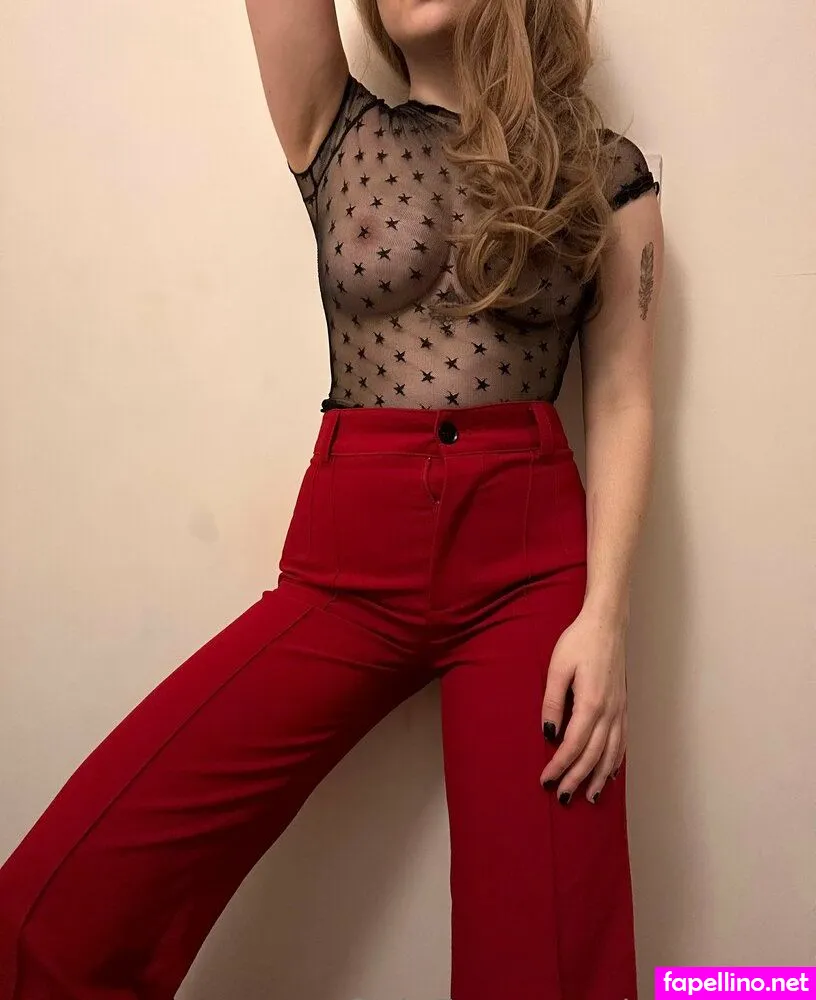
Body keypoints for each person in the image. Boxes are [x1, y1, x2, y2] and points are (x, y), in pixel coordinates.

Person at [0, 0, 663, 996]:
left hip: (530, 576)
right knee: (67, 898)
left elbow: (621, 399)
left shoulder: (604, 173)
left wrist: (604, 621)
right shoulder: (335, 124)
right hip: (348, 565)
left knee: (549, 960)